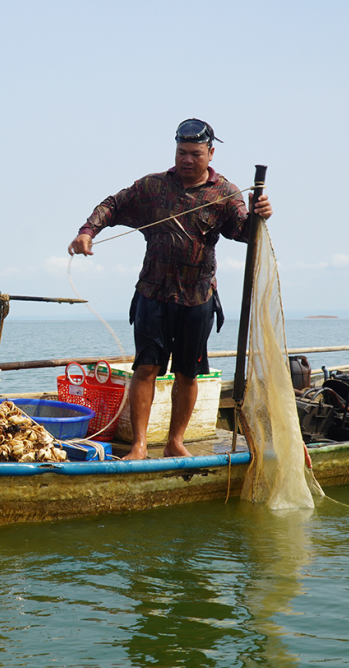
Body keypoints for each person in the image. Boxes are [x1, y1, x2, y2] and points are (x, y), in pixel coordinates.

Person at [68, 118, 273, 460]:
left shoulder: (225, 193)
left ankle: (176, 441)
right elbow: (112, 205)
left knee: (187, 373)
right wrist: (88, 231)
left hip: (198, 298)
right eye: (181, 152)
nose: (187, 160)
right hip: (153, 294)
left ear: (210, 153)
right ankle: (139, 444)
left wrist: (259, 215)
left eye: (195, 153)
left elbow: (243, 232)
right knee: (146, 368)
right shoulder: (153, 188)